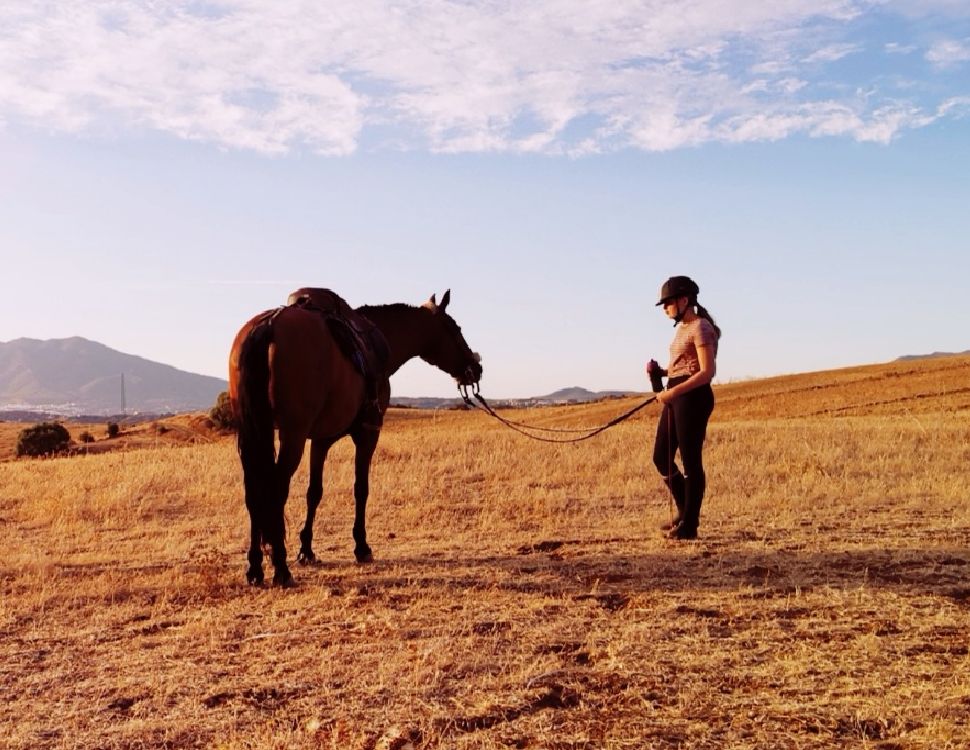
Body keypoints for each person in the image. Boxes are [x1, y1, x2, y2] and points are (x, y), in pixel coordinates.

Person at [646, 276, 721, 540]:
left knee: (691, 462)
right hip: (678, 393)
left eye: (668, 302)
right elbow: (682, 367)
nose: (665, 308)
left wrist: (673, 392)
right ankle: (683, 510)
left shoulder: (701, 328)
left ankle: (690, 525)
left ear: (684, 300)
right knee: (661, 456)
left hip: (693, 396)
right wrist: (660, 373)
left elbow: (707, 372)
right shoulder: (682, 329)